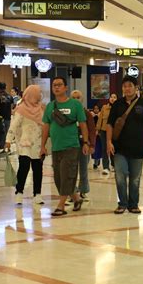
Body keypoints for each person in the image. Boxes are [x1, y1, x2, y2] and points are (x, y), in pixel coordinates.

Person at [40, 77, 90, 216]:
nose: (56, 87)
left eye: (59, 85)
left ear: (65, 87)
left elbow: (83, 124)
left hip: (71, 146)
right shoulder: (50, 106)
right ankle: (76, 198)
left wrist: (86, 142)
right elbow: (46, 126)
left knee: (67, 175)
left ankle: (61, 206)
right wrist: (42, 146)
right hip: (56, 147)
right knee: (58, 178)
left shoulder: (75, 105)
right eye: (54, 85)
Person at [107, 76, 143, 214]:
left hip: (138, 147)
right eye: (124, 86)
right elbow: (110, 124)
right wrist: (108, 142)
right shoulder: (117, 104)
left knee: (135, 179)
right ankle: (122, 203)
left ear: (136, 88)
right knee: (120, 176)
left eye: (130, 86)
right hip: (119, 148)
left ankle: (133, 204)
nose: (127, 89)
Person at [5, 85, 45, 205]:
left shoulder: (41, 109)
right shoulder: (21, 109)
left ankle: (37, 194)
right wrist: (8, 140)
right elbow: (14, 125)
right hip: (25, 143)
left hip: (38, 143)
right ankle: (19, 192)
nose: (40, 96)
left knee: (38, 168)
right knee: (24, 167)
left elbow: (45, 125)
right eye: (37, 93)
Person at [70, 90, 96, 200]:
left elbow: (92, 130)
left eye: (78, 97)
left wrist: (92, 145)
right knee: (71, 170)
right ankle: (72, 192)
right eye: (74, 97)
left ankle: (83, 190)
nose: (76, 99)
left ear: (82, 99)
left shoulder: (87, 114)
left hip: (84, 145)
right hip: (71, 145)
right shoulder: (68, 113)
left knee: (83, 168)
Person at [96, 93, 117, 174]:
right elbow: (100, 118)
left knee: (113, 148)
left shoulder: (118, 108)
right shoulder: (104, 107)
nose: (112, 98)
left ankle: (114, 164)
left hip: (114, 131)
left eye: (114, 97)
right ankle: (105, 167)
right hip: (104, 130)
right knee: (104, 149)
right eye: (111, 97)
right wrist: (97, 129)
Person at [91, 104, 102, 169]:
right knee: (94, 149)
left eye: (97, 108)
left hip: (99, 135)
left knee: (98, 149)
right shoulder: (91, 116)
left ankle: (97, 161)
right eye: (95, 109)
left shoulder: (101, 116)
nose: (96, 110)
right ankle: (95, 162)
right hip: (93, 135)